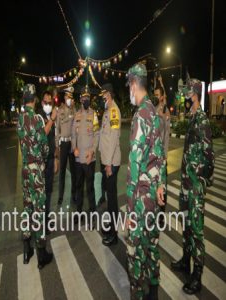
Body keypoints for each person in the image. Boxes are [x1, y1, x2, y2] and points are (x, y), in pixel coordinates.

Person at [126, 63, 166, 299]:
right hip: (153, 198)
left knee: (136, 255)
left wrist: (130, 211)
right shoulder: (155, 112)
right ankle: (153, 294)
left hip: (140, 200)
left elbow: (134, 166)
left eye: (129, 87)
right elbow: (160, 156)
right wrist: (161, 185)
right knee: (152, 248)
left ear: (133, 85)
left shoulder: (140, 115)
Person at [171, 79, 214, 295]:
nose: (186, 96)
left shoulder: (203, 120)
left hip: (195, 185)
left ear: (196, 94)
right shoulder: (192, 117)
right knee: (186, 223)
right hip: (186, 184)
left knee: (196, 230)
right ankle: (186, 260)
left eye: (189, 93)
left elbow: (209, 156)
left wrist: (201, 183)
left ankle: (197, 275)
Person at [17, 84, 53, 269]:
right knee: (38, 210)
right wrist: (43, 160)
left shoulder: (20, 120)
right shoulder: (38, 119)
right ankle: (41, 253)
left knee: (27, 208)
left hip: (24, 172)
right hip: (37, 172)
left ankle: (26, 250)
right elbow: (45, 147)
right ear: (35, 99)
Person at [72, 86, 99, 224]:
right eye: (84, 97)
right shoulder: (76, 115)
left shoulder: (93, 115)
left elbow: (96, 135)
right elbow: (73, 135)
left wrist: (92, 150)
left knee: (90, 186)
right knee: (78, 186)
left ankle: (93, 210)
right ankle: (78, 211)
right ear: (80, 99)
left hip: (89, 158)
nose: (86, 99)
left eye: (88, 97)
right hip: (78, 158)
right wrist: (74, 147)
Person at [99, 83, 121, 246]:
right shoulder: (107, 110)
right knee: (109, 196)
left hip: (111, 162)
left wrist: (108, 164)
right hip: (106, 160)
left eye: (104, 95)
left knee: (112, 199)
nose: (102, 98)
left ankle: (114, 234)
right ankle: (111, 227)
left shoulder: (113, 110)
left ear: (110, 94)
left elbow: (113, 139)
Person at [40, 91, 58, 230]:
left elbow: (54, 138)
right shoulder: (39, 117)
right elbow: (43, 133)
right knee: (43, 192)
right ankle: (42, 221)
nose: (48, 104)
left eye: (50, 102)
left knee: (49, 191)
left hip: (51, 159)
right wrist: (51, 119)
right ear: (41, 103)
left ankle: (46, 217)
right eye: (45, 102)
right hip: (43, 162)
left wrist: (56, 158)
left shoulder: (51, 117)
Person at [56, 86, 76, 205]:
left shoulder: (74, 109)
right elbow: (57, 129)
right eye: (68, 96)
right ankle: (60, 196)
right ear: (64, 97)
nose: (69, 98)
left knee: (73, 171)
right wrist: (57, 147)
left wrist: (73, 108)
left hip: (71, 143)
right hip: (63, 143)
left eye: (71, 97)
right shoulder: (60, 110)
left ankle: (74, 195)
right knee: (62, 171)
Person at [154, 84, 170, 226]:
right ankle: (154, 211)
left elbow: (166, 136)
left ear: (162, 96)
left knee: (162, 186)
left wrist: (164, 155)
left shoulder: (165, 111)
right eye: (155, 95)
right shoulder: (153, 109)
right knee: (154, 184)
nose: (156, 97)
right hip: (153, 156)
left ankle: (161, 216)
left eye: (158, 95)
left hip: (162, 157)